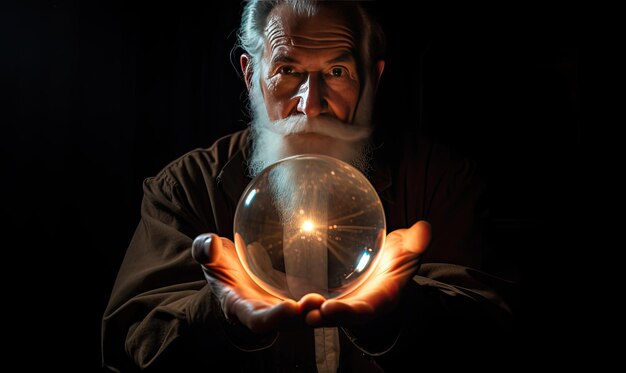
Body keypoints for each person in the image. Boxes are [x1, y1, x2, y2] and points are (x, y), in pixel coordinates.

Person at [102, 1, 516, 371]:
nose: (311, 103)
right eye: (287, 70)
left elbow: (497, 340)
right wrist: (222, 318)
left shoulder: (438, 180)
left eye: (337, 72)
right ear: (251, 75)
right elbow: (128, 351)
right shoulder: (185, 188)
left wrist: (396, 317)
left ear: (372, 76)